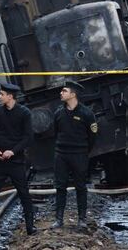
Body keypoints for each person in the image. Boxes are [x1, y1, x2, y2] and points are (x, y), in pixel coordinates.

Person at [0, 83, 36, 236]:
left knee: (24, 193)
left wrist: (12, 151)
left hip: (16, 162)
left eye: (1, 94)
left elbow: (28, 137)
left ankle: (30, 227)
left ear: (10, 96)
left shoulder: (24, 113)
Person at [52, 80, 98, 229]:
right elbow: (56, 133)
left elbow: (93, 137)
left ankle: (82, 220)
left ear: (73, 94)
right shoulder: (58, 113)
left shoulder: (87, 114)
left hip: (79, 155)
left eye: (64, 91)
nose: (61, 93)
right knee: (60, 187)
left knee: (80, 187)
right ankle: (58, 220)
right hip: (61, 155)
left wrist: (83, 151)